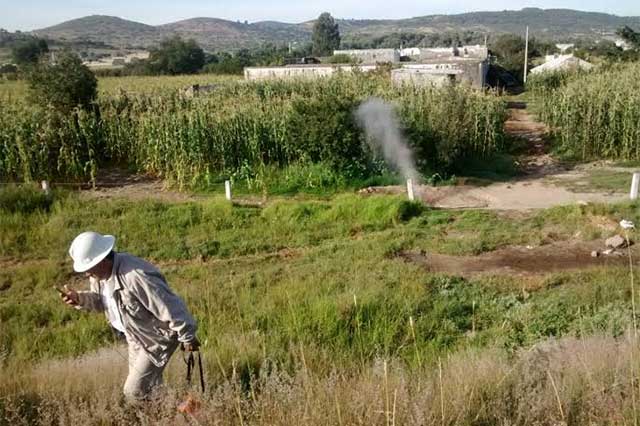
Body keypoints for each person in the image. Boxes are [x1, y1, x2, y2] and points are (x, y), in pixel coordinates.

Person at [59, 231, 200, 402]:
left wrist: (187, 336)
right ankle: (176, 414)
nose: (87, 274)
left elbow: (169, 306)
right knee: (151, 389)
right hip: (135, 337)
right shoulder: (99, 275)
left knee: (133, 391)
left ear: (102, 260)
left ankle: (177, 412)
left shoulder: (135, 276)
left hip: (157, 338)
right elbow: (100, 301)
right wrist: (79, 299)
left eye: (89, 270)